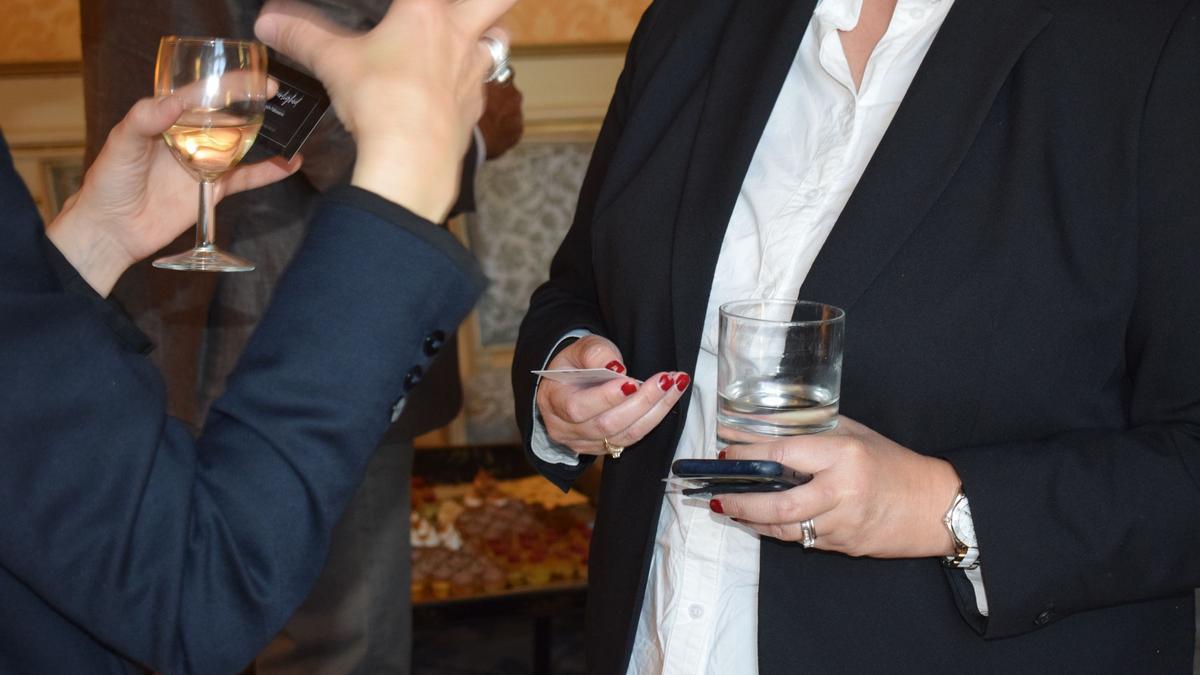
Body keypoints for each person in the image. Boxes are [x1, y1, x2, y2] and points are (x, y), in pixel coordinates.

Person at [512, 0, 1200, 672]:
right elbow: (578, 291)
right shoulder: (691, 18)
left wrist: (940, 507)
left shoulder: (1154, 38)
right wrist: (567, 379)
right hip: (654, 642)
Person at [0, 0, 514, 671]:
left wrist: (94, 243)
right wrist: (412, 162)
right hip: (284, 316)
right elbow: (196, 596)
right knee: (340, 646)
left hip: (129, 316)